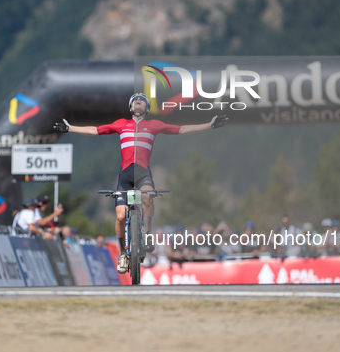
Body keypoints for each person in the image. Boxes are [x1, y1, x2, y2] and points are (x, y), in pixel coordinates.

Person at [54, 92, 228, 274]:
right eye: (134, 101)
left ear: (147, 108)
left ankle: (148, 235)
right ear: (130, 108)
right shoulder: (121, 124)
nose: (138, 102)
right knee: (120, 217)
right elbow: (95, 130)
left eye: (142, 101)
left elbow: (182, 129)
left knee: (147, 197)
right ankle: (123, 253)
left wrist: (210, 125)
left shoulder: (154, 125)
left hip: (143, 174)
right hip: (125, 175)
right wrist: (69, 128)